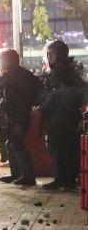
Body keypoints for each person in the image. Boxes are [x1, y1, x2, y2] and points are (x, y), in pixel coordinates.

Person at [38, 40, 85, 191]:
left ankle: (63, 179)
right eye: (48, 54)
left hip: (62, 116)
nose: (49, 57)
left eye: (52, 54)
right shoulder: (66, 69)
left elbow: (56, 95)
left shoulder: (62, 72)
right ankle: (67, 179)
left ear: (60, 54)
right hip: (65, 115)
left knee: (60, 148)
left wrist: (43, 107)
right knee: (65, 148)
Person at [0, 47, 41, 186]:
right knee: (11, 144)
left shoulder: (20, 75)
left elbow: (23, 98)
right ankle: (17, 173)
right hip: (13, 114)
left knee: (18, 144)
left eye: (2, 60)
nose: (0, 63)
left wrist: (18, 115)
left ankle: (27, 176)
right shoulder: (12, 74)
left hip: (20, 115)